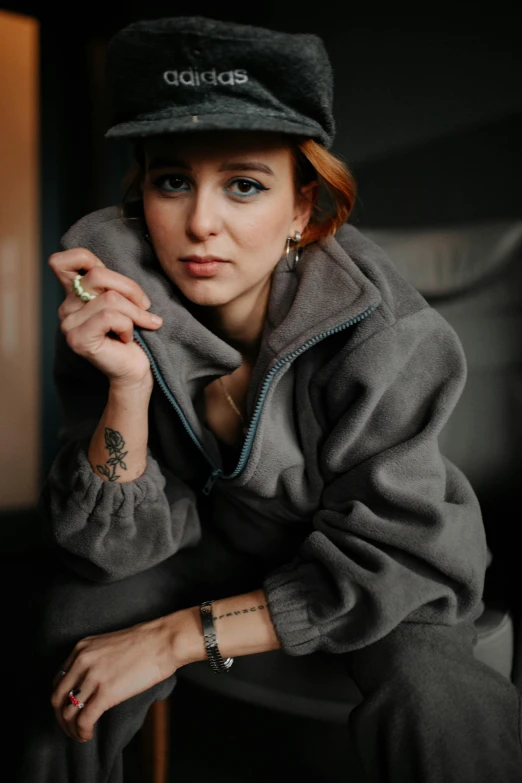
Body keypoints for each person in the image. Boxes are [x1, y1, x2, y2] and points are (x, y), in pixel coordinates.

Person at [23, 15, 522, 783]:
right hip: (205, 545)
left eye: (245, 184)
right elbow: (104, 548)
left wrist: (178, 637)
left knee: (438, 696)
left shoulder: (389, 334)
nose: (199, 224)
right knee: (68, 625)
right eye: (172, 179)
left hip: (377, 561)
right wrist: (126, 386)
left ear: (301, 210)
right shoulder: (112, 301)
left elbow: (395, 559)